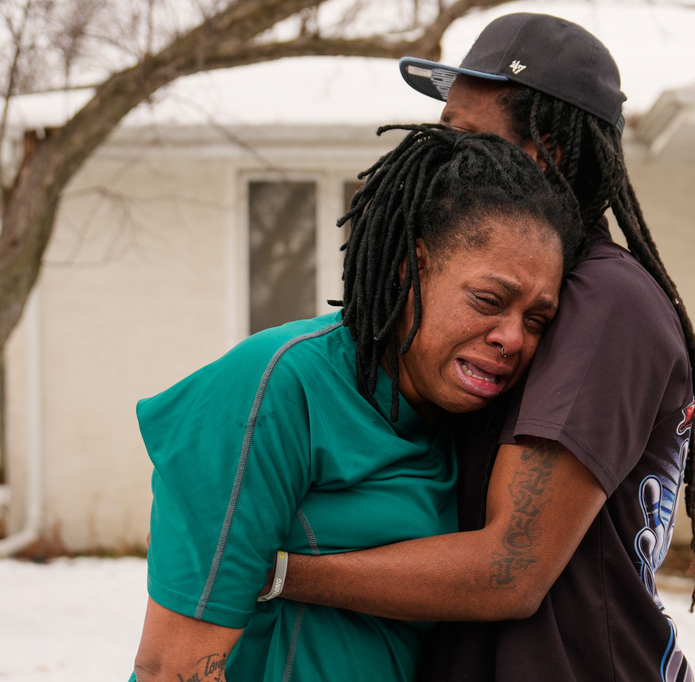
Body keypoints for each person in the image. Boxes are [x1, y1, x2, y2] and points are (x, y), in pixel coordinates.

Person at [268, 12, 695, 682]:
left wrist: (276, 573)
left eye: (468, 136)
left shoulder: (606, 299)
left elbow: (511, 569)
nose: (442, 155)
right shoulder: (534, 283)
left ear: (548, 153)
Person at [129, 125, 583, 682]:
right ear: (409, 268)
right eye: (489, 301)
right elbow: (170, 669)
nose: (512, 338)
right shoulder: (275, 387)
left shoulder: (454, 423)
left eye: (536, 320)